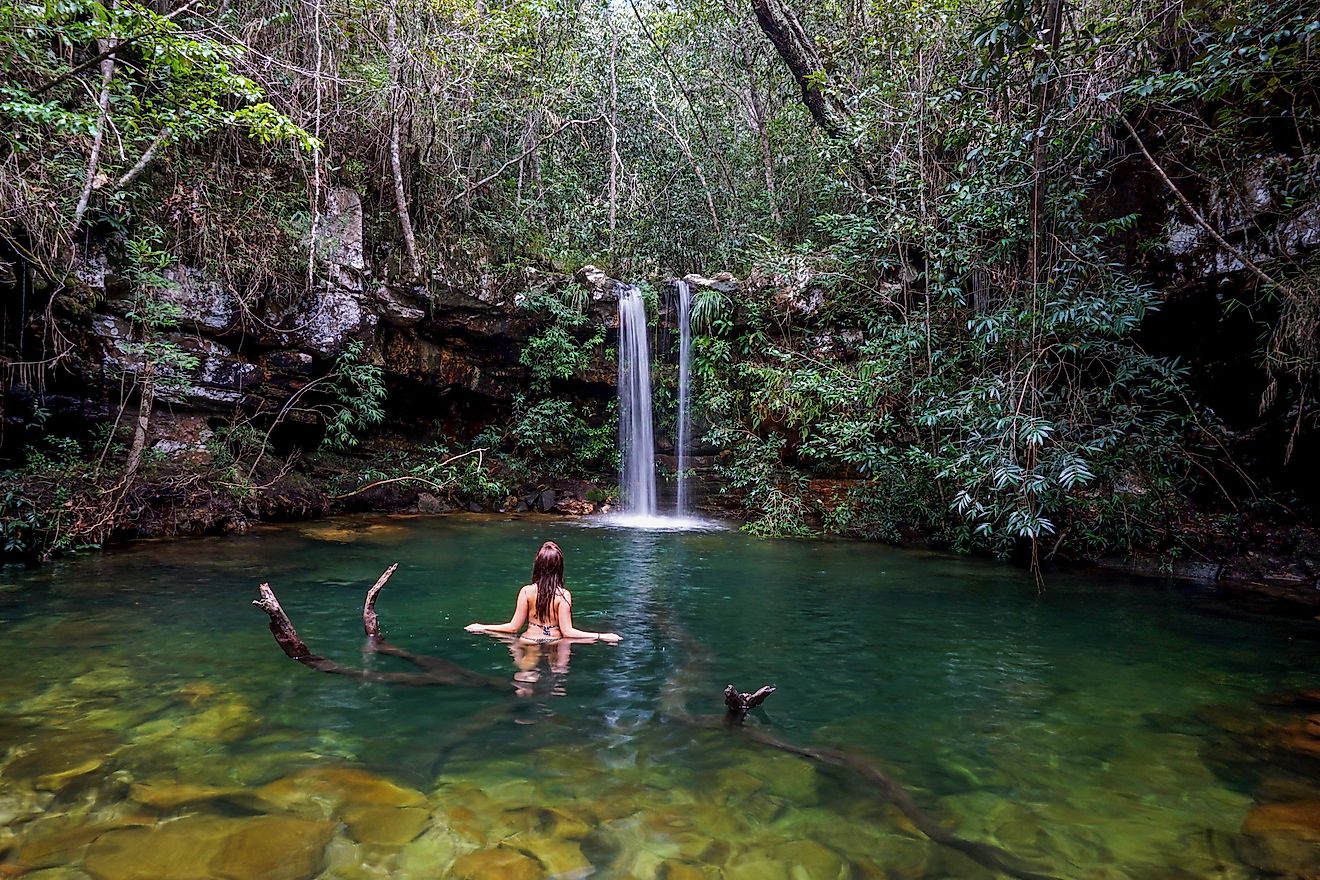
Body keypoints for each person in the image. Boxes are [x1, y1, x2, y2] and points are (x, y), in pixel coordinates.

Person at [464, 541, 621, 643]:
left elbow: (513, 628)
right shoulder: (563, 595)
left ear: (538, 565)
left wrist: (482, 627)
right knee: (558, 677)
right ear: (559, 568)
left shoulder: (526, 592)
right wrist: (602, 636)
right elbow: (568, 632)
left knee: (525, 676)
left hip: (529, 640)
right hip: (554, 641)